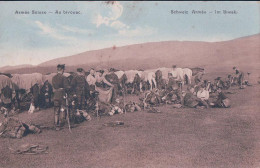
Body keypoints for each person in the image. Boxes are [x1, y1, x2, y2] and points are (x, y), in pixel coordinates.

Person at [52, 64, 70, 130]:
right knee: (63, 109)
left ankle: (56, 125)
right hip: (62, 95)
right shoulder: (64, 77)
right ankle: (62, 122)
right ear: (62, 70)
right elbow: (67, 87)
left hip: (55, 95)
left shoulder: (53, 78)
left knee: (56, 111)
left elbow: (54, 87)